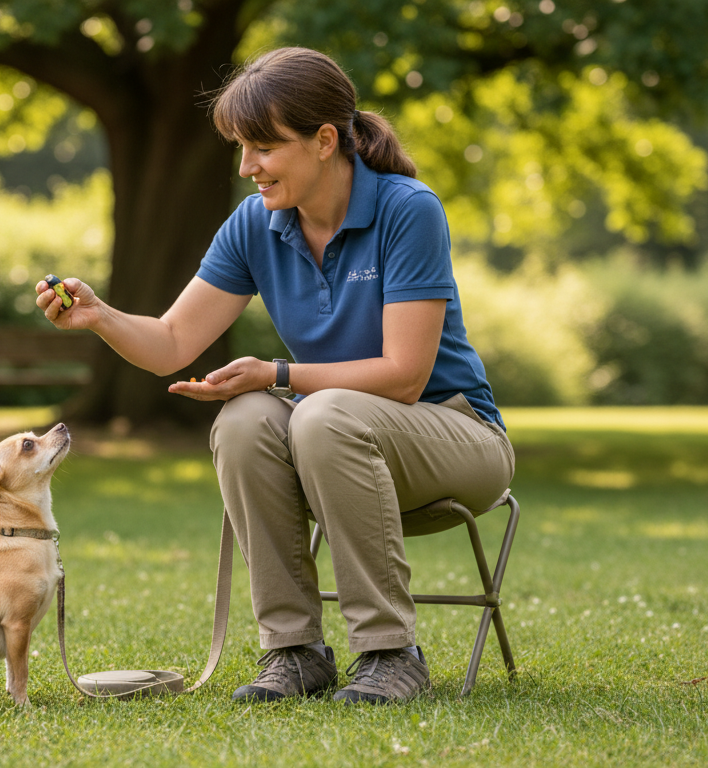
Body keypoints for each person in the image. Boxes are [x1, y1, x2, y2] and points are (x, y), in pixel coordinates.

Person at [34, 47, 514, 705]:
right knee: (244, 418)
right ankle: (294, 653)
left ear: (323, 142)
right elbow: (175, 341)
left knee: (319, 411)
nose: (246, 166)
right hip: (341, 443)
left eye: (262, 146)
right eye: (240, 146)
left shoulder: (409, 209)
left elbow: (405, 377)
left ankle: (390, 654)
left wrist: (279, 371)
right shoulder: (256, 225)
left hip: (459, 437)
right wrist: (100, 316)